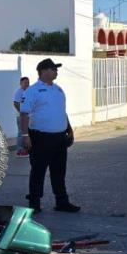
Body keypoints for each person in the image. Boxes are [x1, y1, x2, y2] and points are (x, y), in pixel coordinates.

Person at [20, 58, 80, 213]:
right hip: (41, 137)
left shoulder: (58, 90)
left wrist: (69, 129)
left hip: (59, 137)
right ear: (44, 71)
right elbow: (24, 114)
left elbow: (62, 111)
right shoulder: (32, 91)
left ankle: (62, 201)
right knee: (38, 171)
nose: (56, 71)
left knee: (59, 171)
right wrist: (25, 135)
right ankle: (34, 202)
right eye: (53, 69)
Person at [13, 77, 30, 157]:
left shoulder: (28, 91)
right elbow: (15, 103)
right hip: (21, 116)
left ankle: (26, 149)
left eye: (28, 82)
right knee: (21, 133)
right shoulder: (18, 92)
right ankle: (19, 151)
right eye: (25, 82)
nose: (27, 84)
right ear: (21, 83)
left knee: (27, 133)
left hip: (28, 116)